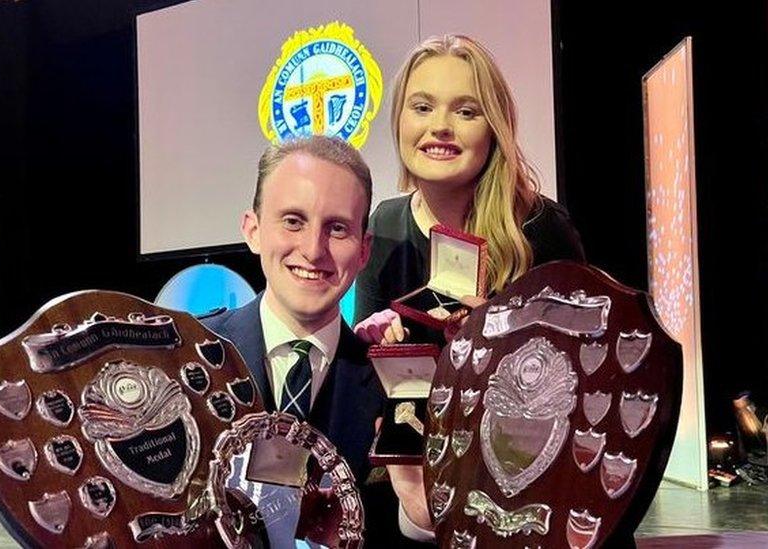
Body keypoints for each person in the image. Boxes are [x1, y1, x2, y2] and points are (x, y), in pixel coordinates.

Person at [202, 135, 431, 546]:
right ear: (252, 230)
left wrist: (418, 514)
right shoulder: (193, 357)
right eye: (293, 220)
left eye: (337, 228)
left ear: (363, 251)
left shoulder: (397, 389)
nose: (312, 250)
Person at [354, 34, 586, 345]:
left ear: (493, 127)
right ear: (399, 120)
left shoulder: (541, 227)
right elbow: (363, 377)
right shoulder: (384, 225)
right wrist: (368, 342)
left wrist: (505, 344)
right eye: (422, 107)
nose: (440, 126)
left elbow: (582, 363)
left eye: (465, 112)